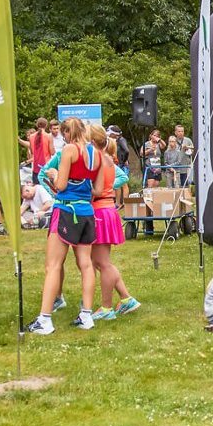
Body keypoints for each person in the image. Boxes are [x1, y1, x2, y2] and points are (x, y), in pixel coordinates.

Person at [29, 118, 100, 335]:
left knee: (53, 265)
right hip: (87, 212)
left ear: (68, 132)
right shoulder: (96, 152)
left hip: (66, 210)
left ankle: (45, 319)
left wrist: (53, 176)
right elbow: (96, 189)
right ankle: (87, 315)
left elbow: (60, 185)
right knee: (86, 265)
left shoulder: (69, 149)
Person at [88, 126, 140, 321]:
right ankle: (126, 299)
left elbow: (94, 187)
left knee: (103, 263)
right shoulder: (108, 159)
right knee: (99, 262)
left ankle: (106, 307)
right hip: (106, 209)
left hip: (100, 210)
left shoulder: (98, 160)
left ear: (93, 142)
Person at [27, 118, 55, 185]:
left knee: (37, 190)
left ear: (37, 125)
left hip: (36, 168)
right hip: (46, 167)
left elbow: (32, 152)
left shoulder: (31, 137)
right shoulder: (48, 136)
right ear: (46, 125)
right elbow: (52, 152)